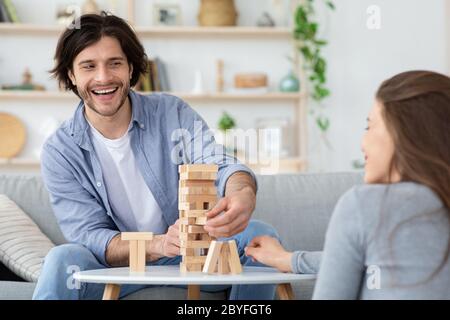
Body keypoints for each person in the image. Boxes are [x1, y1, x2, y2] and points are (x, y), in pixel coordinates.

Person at [32, 12, 279, 300]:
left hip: (195, 259)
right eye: (88, 66)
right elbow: (90, 235)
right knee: (63, 258)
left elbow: (218, 163)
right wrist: (157, 244)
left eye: (115, 63)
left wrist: (243, 191)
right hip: (116, 270)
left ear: (131, 68)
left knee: (260, 234)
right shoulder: (60, 151)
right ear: (72, 75)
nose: (103, 77)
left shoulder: (171, 113)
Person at [245, 70, 450, 299]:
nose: (363, 143)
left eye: (369, 126)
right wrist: (288, 259)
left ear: (404, 132)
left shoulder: (366, 204)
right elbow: (369, 263)